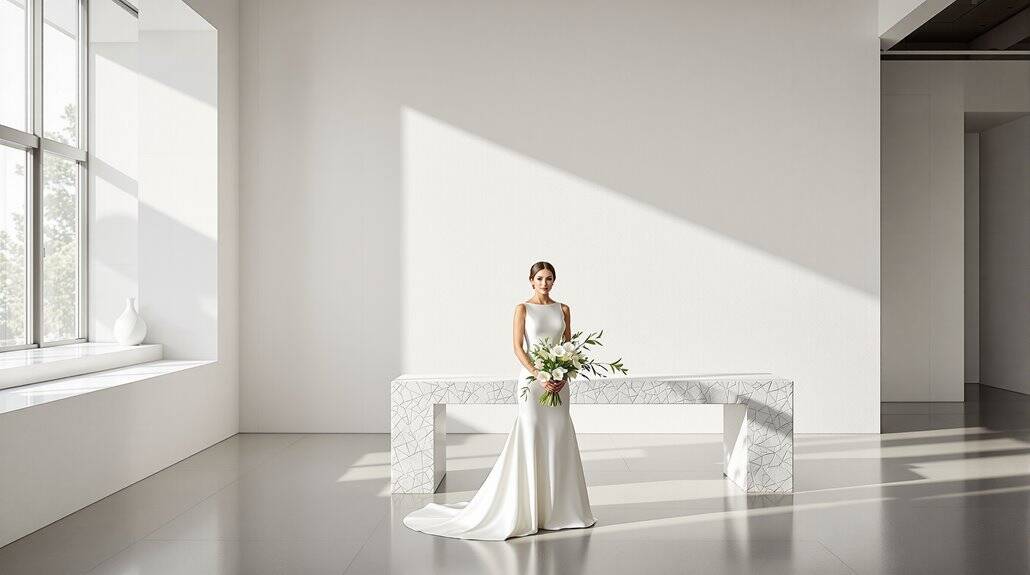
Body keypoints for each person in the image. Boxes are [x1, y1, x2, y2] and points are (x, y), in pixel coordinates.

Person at [402, 261, 597, 540]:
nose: (544, 283)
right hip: (532, 383)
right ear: (531, 280)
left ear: (554, 281)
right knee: (532, 434)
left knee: (558, 436)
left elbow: (567, 347)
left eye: (549, 278)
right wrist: (539, 374)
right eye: (540, 278)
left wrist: (563, 374)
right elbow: (518, 347)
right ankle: (528, 509)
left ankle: (559, 511)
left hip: (559, 383)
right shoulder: (523, 309)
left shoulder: (563, 309)